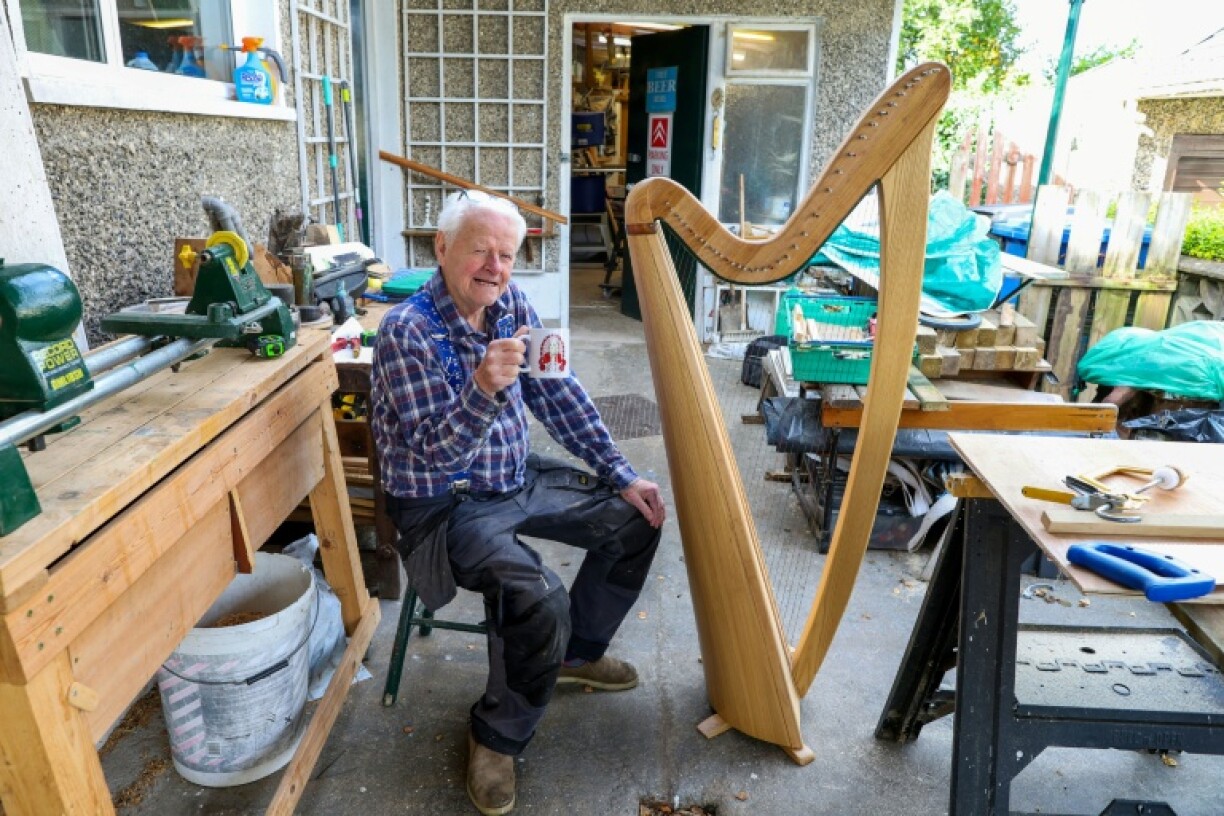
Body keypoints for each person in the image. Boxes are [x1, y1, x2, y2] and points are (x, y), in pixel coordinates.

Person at [370, 190, 665, 816]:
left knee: (635, 519)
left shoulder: (512, 305)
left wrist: (621, 473)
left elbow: (559, 396)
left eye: (506, 255)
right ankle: (496, 736)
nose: (494, 268)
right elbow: (436, 455)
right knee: (535, 598)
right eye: (481, 250)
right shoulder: (405, 331)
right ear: (442, 247)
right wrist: (482, 386)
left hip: (511, 476)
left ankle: (572, 655)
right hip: (444, 502)